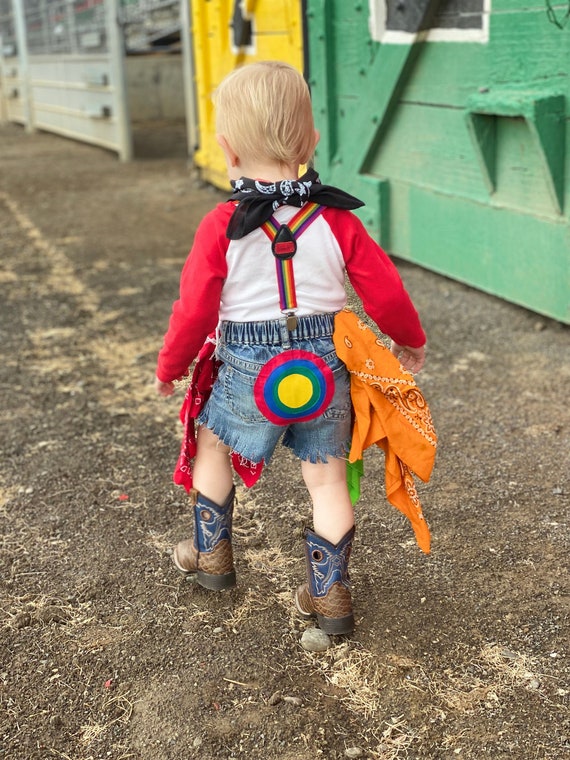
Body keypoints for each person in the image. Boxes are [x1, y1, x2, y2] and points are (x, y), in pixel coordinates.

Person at [154, 61, 426, 635]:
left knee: (213, 444)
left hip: (248, 369)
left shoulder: (222, 224)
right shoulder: (336, 220)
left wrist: (171, 365)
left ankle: (211, 557)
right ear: (311, 142)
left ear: (226, 151)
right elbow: (384, 288)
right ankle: (331, 599)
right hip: (324, 368)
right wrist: (409, 338)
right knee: (326, 479)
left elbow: (195, 309)